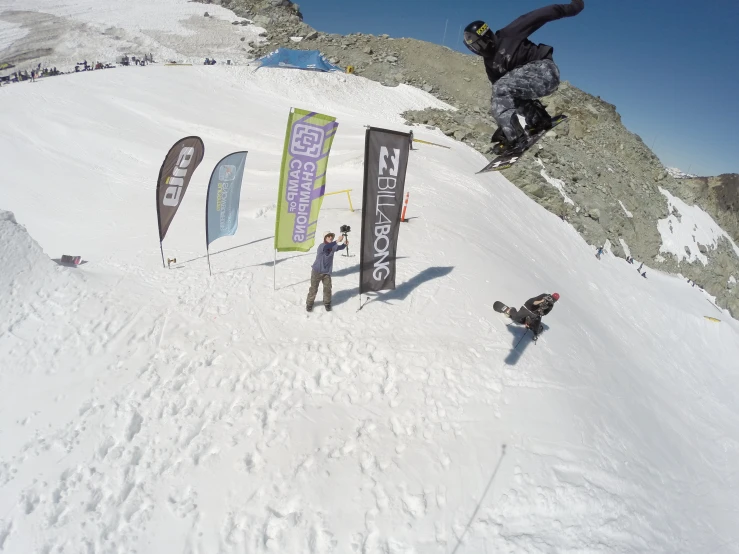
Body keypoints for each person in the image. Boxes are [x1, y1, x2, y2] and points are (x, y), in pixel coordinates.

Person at [463, 0, 585, 154]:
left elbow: (542, 15)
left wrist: (574, 7)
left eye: (479, 45)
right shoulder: (490, 64)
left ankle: (515, 137)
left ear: (488, 37)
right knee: (502, 94)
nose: (479, 50)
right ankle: (538, 119)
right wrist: (503, 125)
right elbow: (502, 98)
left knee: (501, 88)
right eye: (474, 48)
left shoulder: (509, 34)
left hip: (545, 71)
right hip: (530, 80)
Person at [306, 231, 347, 312]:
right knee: (313, 289)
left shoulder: (333, 246)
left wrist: (344, 244)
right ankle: (309, 303)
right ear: (325, 238)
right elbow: (327, 247)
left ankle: (327, 303)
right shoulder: (322, 246)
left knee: (328, 289)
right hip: (316, 271)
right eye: (328, 236)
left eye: (331, 236)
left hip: (326, 273)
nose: (330, 237)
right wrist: (337, 241)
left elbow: (338, 248)